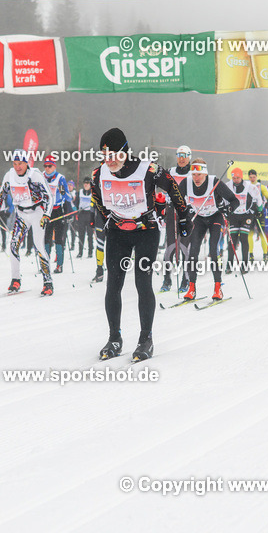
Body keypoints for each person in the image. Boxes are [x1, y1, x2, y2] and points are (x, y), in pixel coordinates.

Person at [90, 128, 188, 362]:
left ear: (125, 152)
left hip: (146, 231)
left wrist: (184, 217)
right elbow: (98, 200)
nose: (109, 160)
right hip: (118, 232)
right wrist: (109, 220)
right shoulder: (98, 174)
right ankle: (115, 338)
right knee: (113, 284)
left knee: (142, 282)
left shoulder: (147, 169)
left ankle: (146, 339)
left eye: (114, 154)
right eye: (105, 155)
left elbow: (173, 187)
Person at [0, 148, 54, 296]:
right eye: (15, 163)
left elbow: (49, 197)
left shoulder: (35, 175)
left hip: (37, 213)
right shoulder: (10, 175)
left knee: (38, 245)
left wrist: (47, 214)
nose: (17, 167)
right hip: (21, 213)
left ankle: (48, 282)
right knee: (14, 245)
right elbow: (2, 193)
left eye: (20, 163)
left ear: (26, 163)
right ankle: (15, 280)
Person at [183, 158, 240, 300]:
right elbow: (176, 199)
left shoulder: (214, 182)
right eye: (194, 175)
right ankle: (191, 288)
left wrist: (228, 209)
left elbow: (235, 201)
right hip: (199, 219)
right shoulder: (186, 183)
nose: (196, 178)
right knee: (193, 252)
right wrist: (184, 211)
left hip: (215, 217)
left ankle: (217, 288)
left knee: (213, 250)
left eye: (199, 175)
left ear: (205, 174)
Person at [159, 145, 191, 292]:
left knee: (185, 247)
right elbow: (166, 190)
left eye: (184, 155)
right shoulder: (170, 171)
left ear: (189, 157)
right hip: (172, 211)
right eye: (179, 155)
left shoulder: (193, 173)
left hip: (187, 212)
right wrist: (166, 206)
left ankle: (185, 281)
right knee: (170, 247)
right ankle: (167, 280)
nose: (182, 159)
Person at [41, 156, 72, 273]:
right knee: (46, 239)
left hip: (59, 210)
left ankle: (59, 265)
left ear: (54, 166)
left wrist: (64, 193)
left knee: (59, 239)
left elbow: (68, 197)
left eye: (50, 166)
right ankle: (45, 265)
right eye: (45, 166)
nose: (47, 168)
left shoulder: (60, 178)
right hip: (46, 212)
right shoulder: (41, 177)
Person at [227, 168, 254, 272]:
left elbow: (257, 198)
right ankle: (229, 265)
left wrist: (258, 210)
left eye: (238, 177)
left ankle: (245, 265)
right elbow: (224, 198)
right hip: (234, 215)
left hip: (246, 216)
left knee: (243, 239)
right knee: (232, 240)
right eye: (234, 178)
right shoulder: (228, 185)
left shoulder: (248, 186)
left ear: (241, 177)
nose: (236, 180)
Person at [245, 170, 268, 260]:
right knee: (249, 234)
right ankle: (250, 254)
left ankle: (265, 254)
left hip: (259, 213)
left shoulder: (260, 186)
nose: (252, 179)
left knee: (262, 234)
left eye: (254, 177)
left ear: (256, 177)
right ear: (248, 177)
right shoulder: (246, 186)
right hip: (249, 213)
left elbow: (267, 196)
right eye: (250, 177)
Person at [75, 176, 96, 257]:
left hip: (90, 215)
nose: (86, 185)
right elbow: (76, 203)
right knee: (81, 234)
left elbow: (95, 204)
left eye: (87, 183)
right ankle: (80, 252)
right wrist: (76, 210)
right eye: (85, 183)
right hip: (81, 214)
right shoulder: (79, 192)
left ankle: (90, 252)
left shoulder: (93, 193)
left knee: (90, 235)